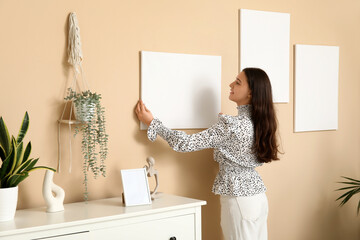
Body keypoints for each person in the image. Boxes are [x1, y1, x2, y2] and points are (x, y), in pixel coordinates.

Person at [135, 67, 280, 240]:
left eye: (238, 82)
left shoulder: (230, 125)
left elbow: (185, 143)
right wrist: (223, 128)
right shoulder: (259, 122)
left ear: (251, 93)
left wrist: (153, 123)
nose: (231, 84)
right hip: (257, 198)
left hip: (239, 200)